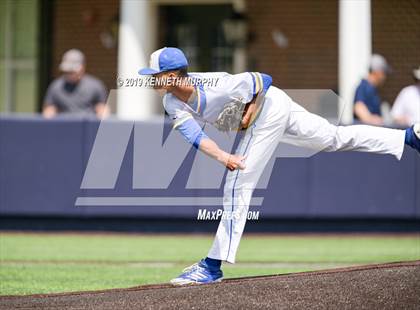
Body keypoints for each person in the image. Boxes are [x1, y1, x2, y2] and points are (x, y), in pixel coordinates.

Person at [139, 47, 420, 286]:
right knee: (333, 137)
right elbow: (195, 136)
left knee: (238, 183)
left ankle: (211, 266)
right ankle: (408, 137)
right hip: (274, 110)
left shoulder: (215, 84)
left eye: (154, 75)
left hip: (270, 108)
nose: (150, 80)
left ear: (172, 76)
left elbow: (264, 78)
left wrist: (250, 108)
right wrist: (225, 156)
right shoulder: (171, 100)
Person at [43, 49, 109, 119]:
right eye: (67, 71)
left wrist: (102, 116)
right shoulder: (56, 86)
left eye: (72, 71)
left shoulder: (95, 85)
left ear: (82, 67)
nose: (69, 74)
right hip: (63, 126)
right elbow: (49, 109)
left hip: (87, 127)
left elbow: (102, 108)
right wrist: (49, 115)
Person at [353, 54, 390, 125]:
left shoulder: (372, 88)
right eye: (384, 73)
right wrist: (371, 119)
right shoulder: (364, 87)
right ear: (377, 72)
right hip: (364, 133)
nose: (385, 77)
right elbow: (359, 107)